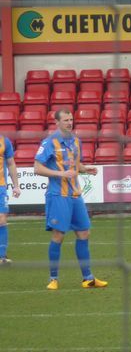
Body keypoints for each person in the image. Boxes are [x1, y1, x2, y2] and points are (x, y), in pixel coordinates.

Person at [33, 109, 106, 290]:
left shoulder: (75, 141)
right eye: (65, 120)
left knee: (84, 233)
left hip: (75, 195)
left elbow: (75, 164)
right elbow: (37, 168)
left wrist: (85, 169)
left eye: (71, 119)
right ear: (56, 122)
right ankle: (53, 278)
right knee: (59, 235)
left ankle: (88, 278)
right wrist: (61, 173)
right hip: (58, 196)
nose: (69, 123)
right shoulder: (49, 142)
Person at [0, 135, 21, 265]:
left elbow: (11, 163)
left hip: (0, 186)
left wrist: (16, 185)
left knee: (2, 219)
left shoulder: (4, 141)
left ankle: (2, 256)